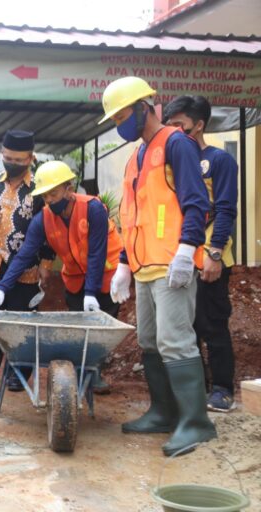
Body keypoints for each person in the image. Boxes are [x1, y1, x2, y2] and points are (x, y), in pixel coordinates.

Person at [100, 76, 215, 456]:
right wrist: (121, 264)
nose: (119, 125)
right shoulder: (137, 155)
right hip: (144, 267)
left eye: (121, 116)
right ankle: (164, 413)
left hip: (171, 264)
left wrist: (187, 252)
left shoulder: (176, 144)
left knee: (175, 340)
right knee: (150, 341)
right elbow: (132, 215)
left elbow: (197, 202)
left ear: (143, 108)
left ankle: (196, 424)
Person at [163, 95, 239, 413]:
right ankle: (197, 390)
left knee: (213, 325)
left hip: (209, 256)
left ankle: (222, 389)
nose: (174, 132)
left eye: (179, 125)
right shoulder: (172, 161)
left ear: (199, 125)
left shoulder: (219, 161)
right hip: (180, 258)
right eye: (170, 126)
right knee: (185, 327)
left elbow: (224, 209)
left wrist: (215, 252)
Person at [0, 160, 121, 317]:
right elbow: (24, 255)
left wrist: (90, 292)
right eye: (44, 195)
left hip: (107, 277)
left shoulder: (93, 209)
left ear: (68, 190)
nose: (48, 199)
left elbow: (96, 253)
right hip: (75, 281)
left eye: (53, 193)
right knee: (78, 334)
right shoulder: (42, 220)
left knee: (103, 334)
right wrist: (1, 289)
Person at [0, 131, 49, 389]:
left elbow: (49, 228)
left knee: (21, 323)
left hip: (24, 268)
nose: (11, 162)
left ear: (30, 158)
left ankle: (19, 375)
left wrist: (46, 264)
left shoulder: (39, 186)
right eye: (7, 157)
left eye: (17, 159)